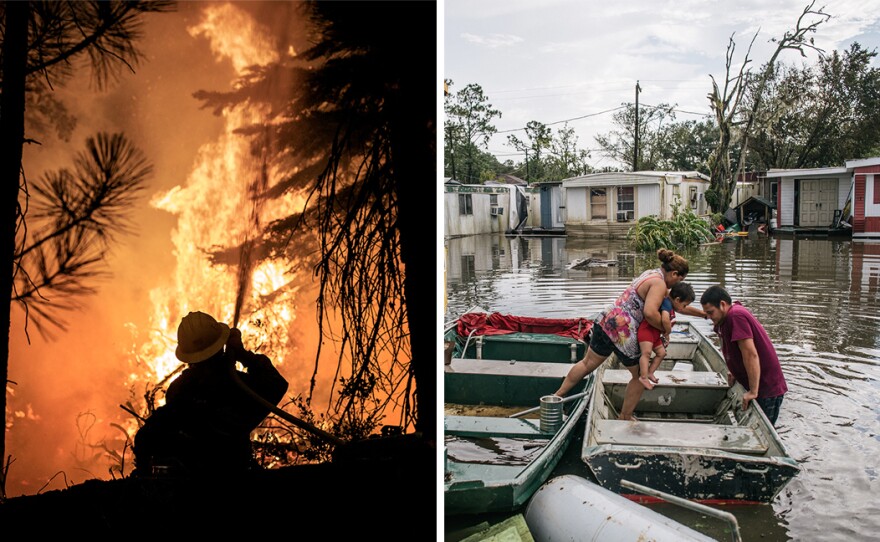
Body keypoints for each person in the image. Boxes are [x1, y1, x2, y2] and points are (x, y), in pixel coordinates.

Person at [132, 311, 290, 477]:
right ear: (220, 346)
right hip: (234, 479)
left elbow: (146, 438)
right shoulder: (236, 386)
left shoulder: (177, 390)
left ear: (188, 357)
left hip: (194, 484)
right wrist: (242, 354)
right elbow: (276, 385)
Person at [554, 248, 690, 420]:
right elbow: (649, 313)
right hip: (622, 331)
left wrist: (701, 314)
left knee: (587, 363)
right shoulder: (660, 284)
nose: (677, 285)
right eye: (680, 279)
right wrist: (665, 330)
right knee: (641, 374)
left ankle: (557, 397)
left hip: (605, 319)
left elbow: (673, 304)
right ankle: (625, 416)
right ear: (675, 274)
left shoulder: (651, 274)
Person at [700, 285, 787, 426]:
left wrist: (753, 391)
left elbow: (750, 354)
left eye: (710, 312)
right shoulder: (724, 319)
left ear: (722, 304)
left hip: (765, 388)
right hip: (756, 384)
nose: (708, 317)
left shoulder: (736, 316)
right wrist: (734, 371)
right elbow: (733, 349)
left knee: (762, 428)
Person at [637, 281, 707, 390]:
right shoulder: (667, 303)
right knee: (646, 353)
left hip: (655, 334)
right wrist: (668, 332)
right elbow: (665, 319)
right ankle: (643, 377)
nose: (684, 308)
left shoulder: (671, 304)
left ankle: (650, 372)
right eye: (684, 305)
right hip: (647, 331)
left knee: (662, 353)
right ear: (677, 300)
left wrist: (666, 335)